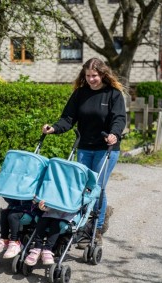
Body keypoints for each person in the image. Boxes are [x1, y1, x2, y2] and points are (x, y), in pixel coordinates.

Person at [41, 57, 126, 246]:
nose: (91, 79)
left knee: (96, 187)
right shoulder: (80, 94)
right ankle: (80, 223)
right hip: (85, 147)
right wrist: (54, 128)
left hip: (107, 148)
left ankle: (97, 228)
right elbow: (68, 118)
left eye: (94, 75)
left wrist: (115, 134)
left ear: (102, 74)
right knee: (82, 187)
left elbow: (119, 118)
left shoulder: (113, 94)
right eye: (87, 75)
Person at [24, 200, 76, 266]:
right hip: (51, 210)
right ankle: (37, 247)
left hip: (66, 214)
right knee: (42, 220)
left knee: (56, 223)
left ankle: (47, 249)